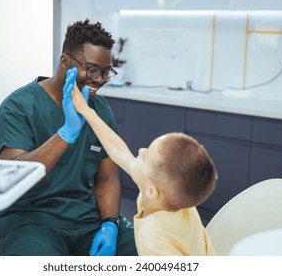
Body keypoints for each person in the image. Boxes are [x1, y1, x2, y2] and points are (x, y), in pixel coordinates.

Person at [0, 19, 137, 256]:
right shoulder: (18, 106)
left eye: (105, 72)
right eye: (91, 69)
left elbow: (107, 180)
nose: (100, 79)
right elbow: (15, 178)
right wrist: (66, 133)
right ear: (64, 62)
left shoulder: (99, 110)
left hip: (85, 219)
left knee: (155, 249)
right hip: (31, 222)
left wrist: (110, 224)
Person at [70, 86, 218, 256]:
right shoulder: (177, 203)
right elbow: (117, 150)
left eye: (146, 157)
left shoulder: (153, 239)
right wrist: (85, 110)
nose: (140, 151)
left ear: (152, 191)